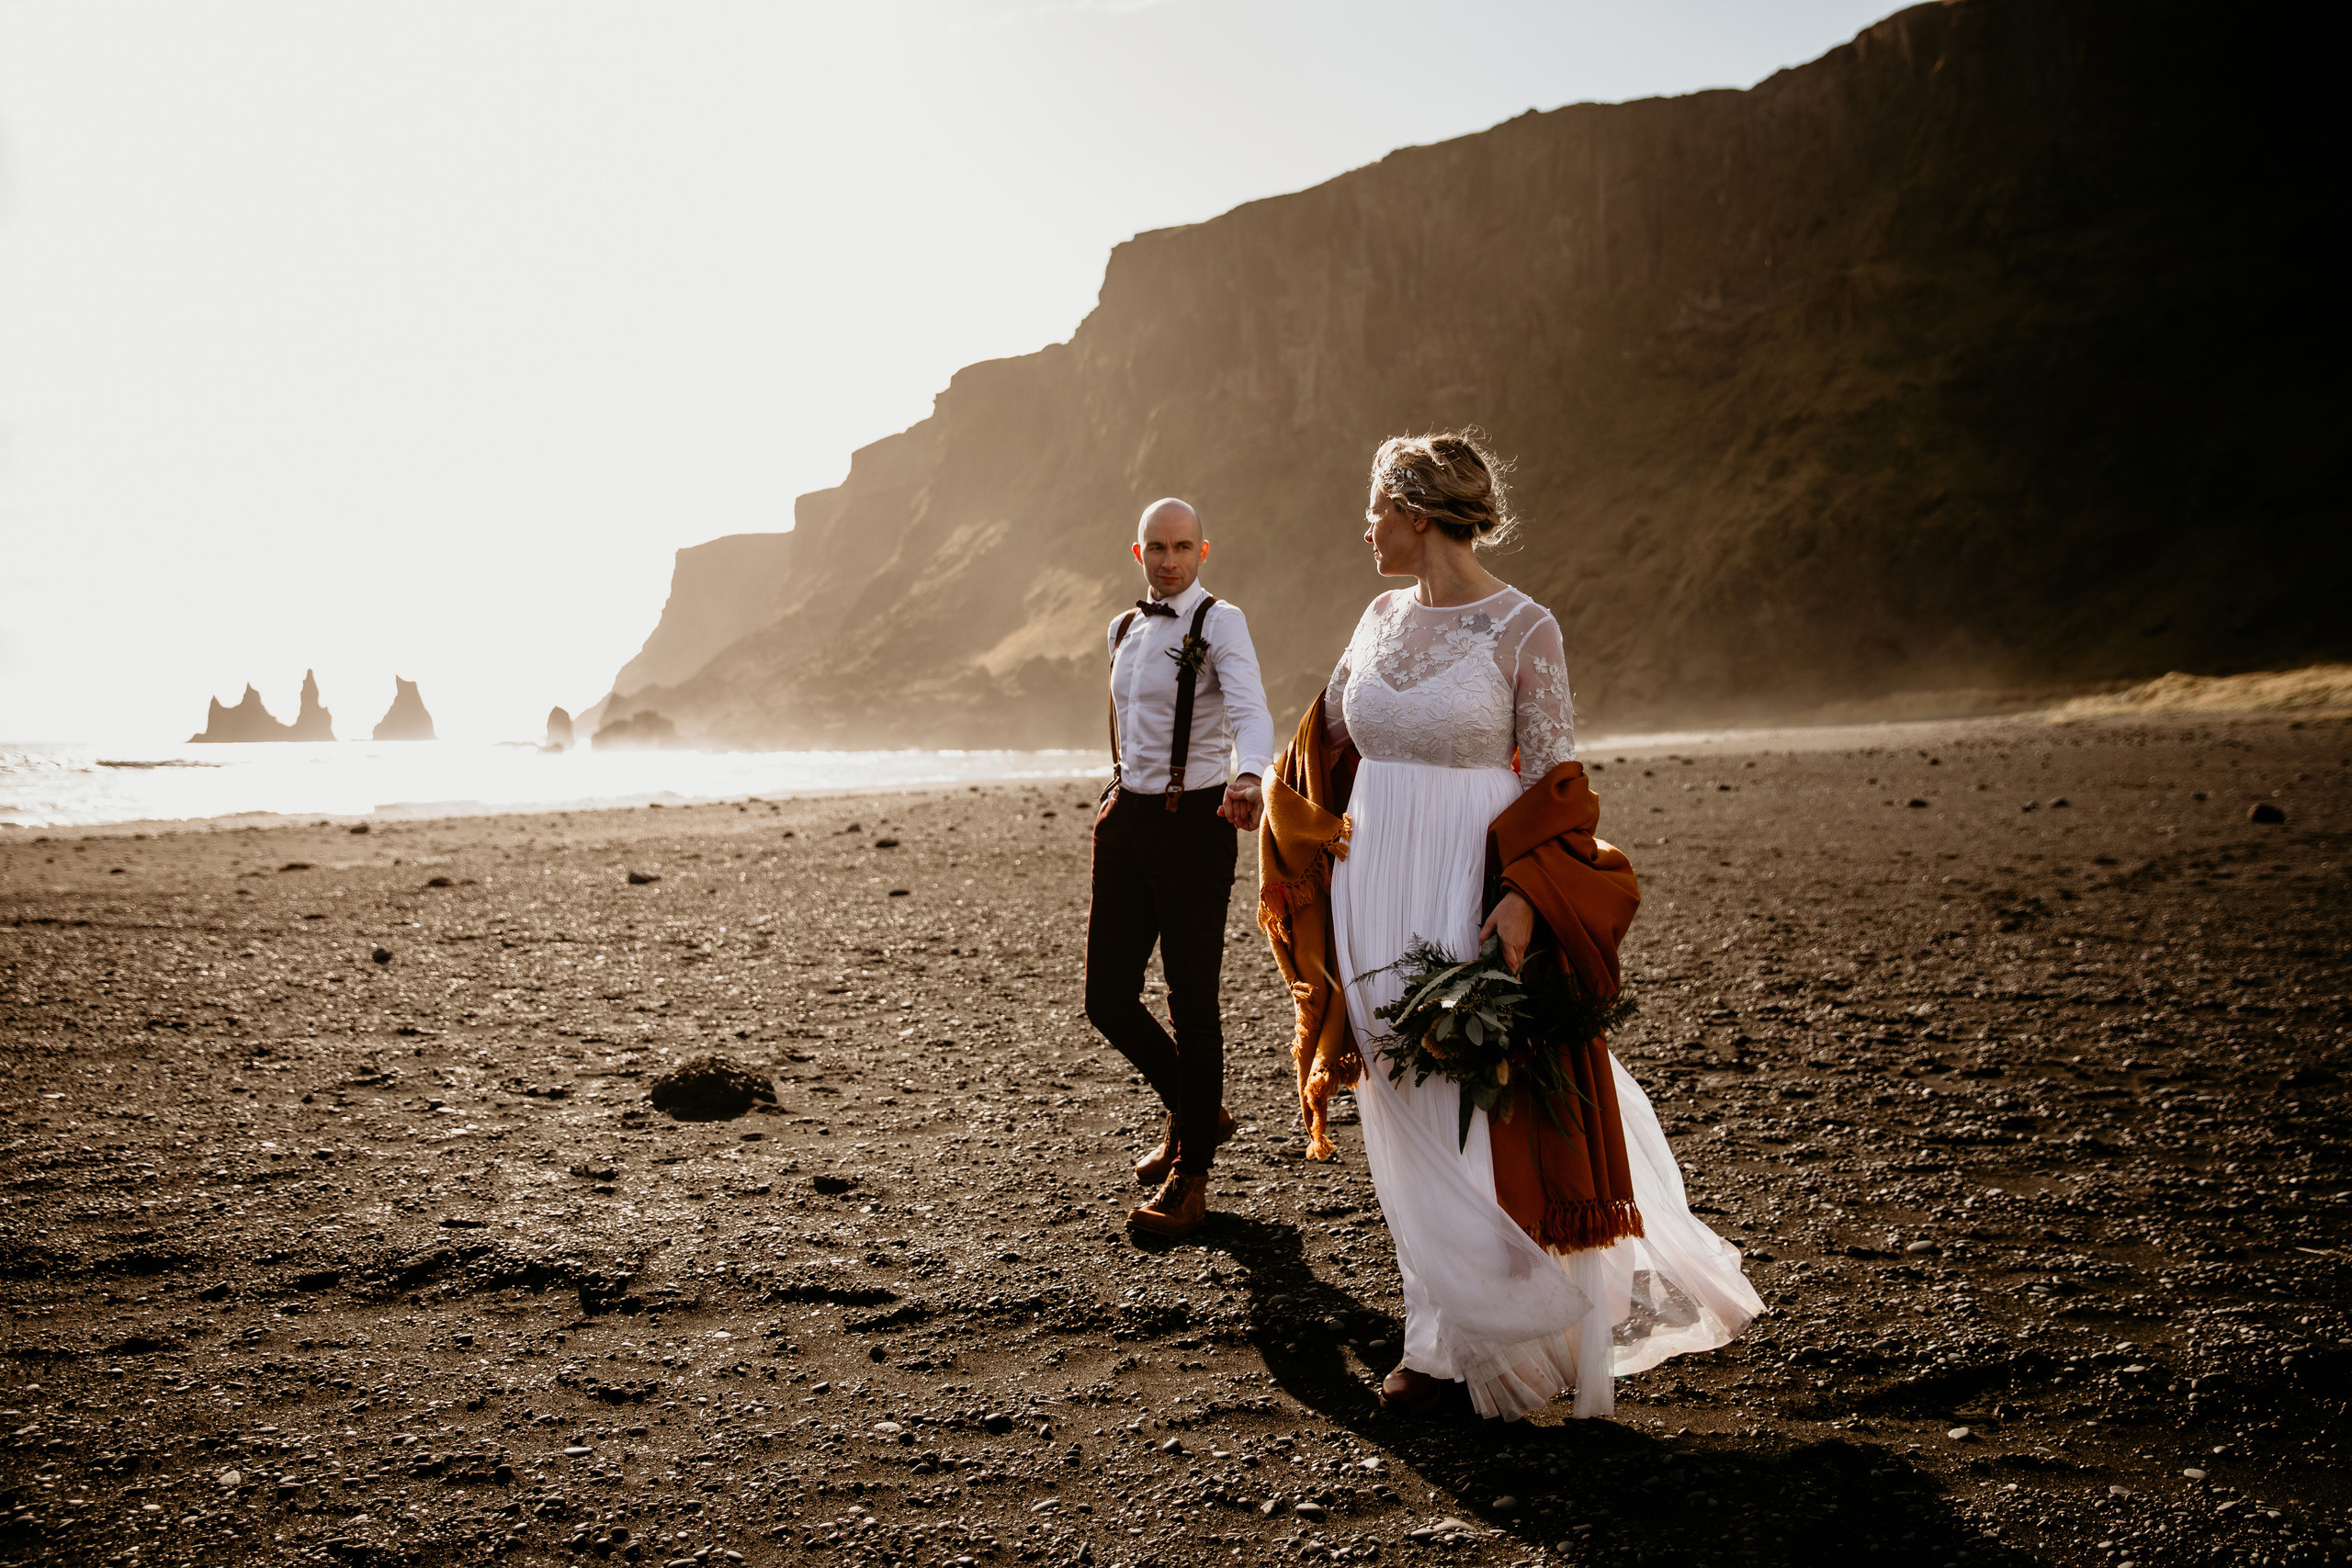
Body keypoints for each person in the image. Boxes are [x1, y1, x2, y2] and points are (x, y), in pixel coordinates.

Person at [1261, 432, 1761, 1419]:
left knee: (1468, 1097)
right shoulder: (1374, 616)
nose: (1364, 530)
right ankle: (1434, 1335)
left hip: (1463, 882)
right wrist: (1270, 803)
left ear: (1412, 512)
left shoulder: (1525, 628)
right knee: (1398, 1103)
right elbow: (1322, 742)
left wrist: (1525, 897)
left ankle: (1497, 1340)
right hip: (1369, 888)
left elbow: (1555, 785)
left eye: (1374, 511)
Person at [1086, 497, 1277, 1237]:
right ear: (1138, 553)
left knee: (1192, 1001)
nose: (1169, 559)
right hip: (1126, 819)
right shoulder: (1124, 628)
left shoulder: (1219, 621)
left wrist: (1252, 773)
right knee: (1107, 997)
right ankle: (1198, 1107)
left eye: (1182, 547)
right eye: (1156, 547)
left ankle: (1190, 1177)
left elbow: (1251, 710)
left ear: (1203, 551)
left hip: (1195, 821)